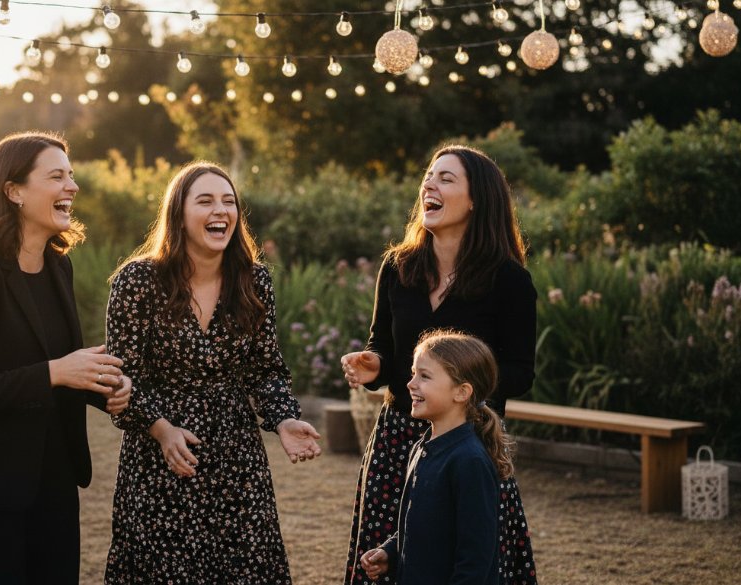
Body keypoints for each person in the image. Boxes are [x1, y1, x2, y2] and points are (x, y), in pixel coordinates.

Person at [0, 131, 132, 584]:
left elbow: (55, 363)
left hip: (52, 476)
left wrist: (104, 386)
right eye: (56, 176)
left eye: (71, 176)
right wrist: (57, 371)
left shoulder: (58, 265)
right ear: (13, 191)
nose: (71, 186)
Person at [103, 161, 322, 584]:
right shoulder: (136, 282)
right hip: (161, 460)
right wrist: (160, 429)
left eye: (228, 202)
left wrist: (284, 418)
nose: (220, 210)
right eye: (205, 201)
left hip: (237, 457)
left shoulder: (254, 282)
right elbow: (121, 378)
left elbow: (266, 369)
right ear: (179, 216)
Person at [342, 145, 538, 585]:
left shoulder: (509, 280)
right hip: (396, 440)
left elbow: (521, 372)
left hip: (469, 439)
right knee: (384, 560)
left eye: (446, 178)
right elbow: (385, 348)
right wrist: (373, 364)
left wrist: (459, 386)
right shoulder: (398, 266)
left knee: (467, 560)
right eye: (429, 176)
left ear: (476, 199)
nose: (429, 184)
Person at [359, 330, 513, 584]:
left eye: (425, 376)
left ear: (462, 392)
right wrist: (391, 552)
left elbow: (476, 557)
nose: (411, 384)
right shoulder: (422, 447)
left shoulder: (469, 461)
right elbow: (423, 524)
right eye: (413, 373)